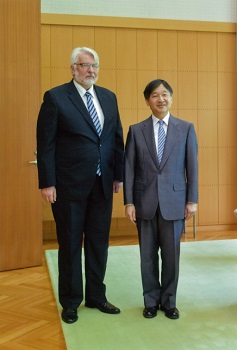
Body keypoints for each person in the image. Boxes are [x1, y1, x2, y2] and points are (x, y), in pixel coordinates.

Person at [37, 47, 124, 324]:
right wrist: (47, 182)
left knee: (99, 243)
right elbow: (46, 144)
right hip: (68, 187)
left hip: (102, 185)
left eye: (94, 65)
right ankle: (71, 301)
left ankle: (96, 296)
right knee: (71, 244)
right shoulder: (56, 97)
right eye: (85, 65)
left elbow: (116, 139)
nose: (91, 71)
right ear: (73, 69)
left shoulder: (109, 98)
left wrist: (118, 175)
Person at [124, 79, 198, 320]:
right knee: (147, 256)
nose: (160, 99)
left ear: (171, 98)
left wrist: (192, 200)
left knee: (171, 256)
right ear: (147, 101)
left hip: (175, 202)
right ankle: (151, 301)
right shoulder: (136, 130)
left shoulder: (186, 129)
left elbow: (192, 167)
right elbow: (129, 169)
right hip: (144, 202)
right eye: (155, 95)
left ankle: (169, 302)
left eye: (164, 94)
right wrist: (129, 202)